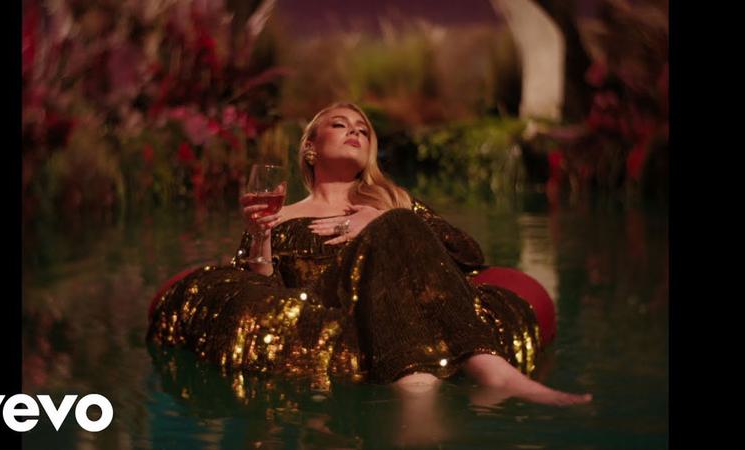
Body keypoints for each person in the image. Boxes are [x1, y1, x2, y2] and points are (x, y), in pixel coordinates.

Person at [147, 102, 592, 406]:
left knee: (397, 222)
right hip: (325, 304)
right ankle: (480, 378)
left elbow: (468, 254)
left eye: (363, 130)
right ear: (310, 146)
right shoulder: (282, 216)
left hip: (396, 305)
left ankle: (462, 381)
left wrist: (380, 221)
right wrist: (260, 235)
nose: (355, 132)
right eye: (341, 125)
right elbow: (263, 291)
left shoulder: (391, 201)